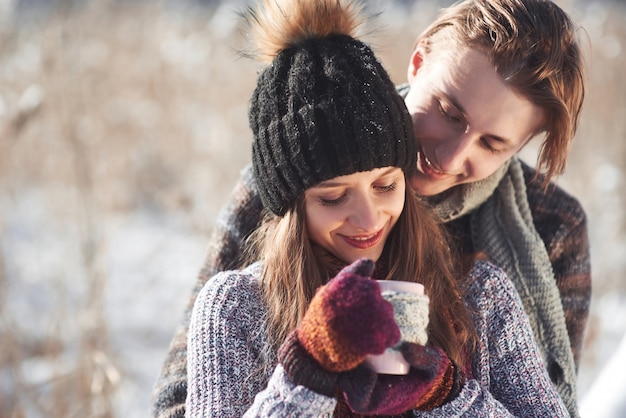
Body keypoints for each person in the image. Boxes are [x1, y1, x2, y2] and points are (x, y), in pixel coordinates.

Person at [153, 0, 590, 417]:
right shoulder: (296, 160)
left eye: (492, 143)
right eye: (448, 112)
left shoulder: (533, 243)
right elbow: (189, 384)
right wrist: (307, 372)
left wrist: (447, 393)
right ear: (418, 63)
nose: (451, 157)